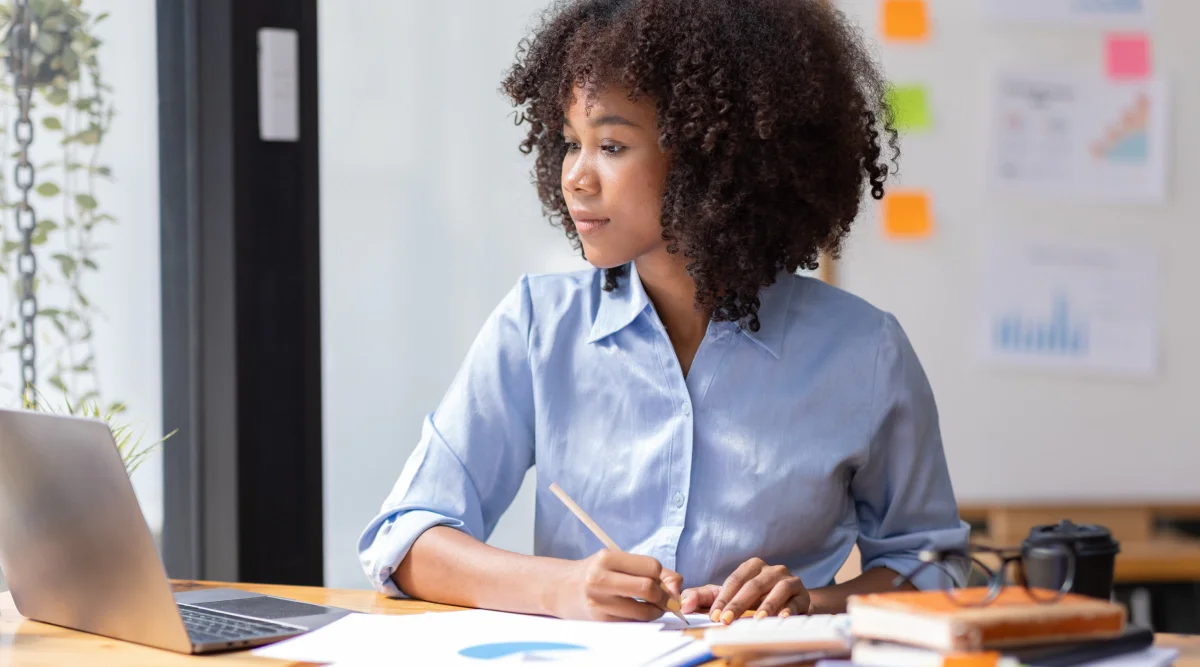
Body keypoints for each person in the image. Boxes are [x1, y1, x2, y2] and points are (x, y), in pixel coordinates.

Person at [358, 0, 968, 624]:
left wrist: (815, 602)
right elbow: (405, 538)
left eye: (613, 145)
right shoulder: (538, 326)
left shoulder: (865, 352)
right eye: (572, 144)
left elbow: (934, 566)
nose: (575, 177)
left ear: (713, 156)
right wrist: (560, 588)